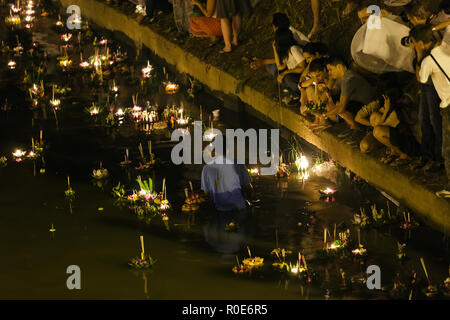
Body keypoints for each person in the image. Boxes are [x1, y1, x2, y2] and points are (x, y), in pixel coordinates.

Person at [411, 25, 450, 196]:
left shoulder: (428, 61)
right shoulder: (446, 47)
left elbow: (422, 78)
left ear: (420, 43)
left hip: (448, 104)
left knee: (448, 148)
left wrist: (419, 54)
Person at [355, 91, 420, 165]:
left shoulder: (396, 110)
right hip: (395, 137)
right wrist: (385, 110)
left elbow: (379, 126)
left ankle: (402, 154)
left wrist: (386, 110)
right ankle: (393, 152)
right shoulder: (379, 108)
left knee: (377, 131)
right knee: (364, 146)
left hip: (409, 143)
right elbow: (363, 120)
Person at [251, 27, 306, 105]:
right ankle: (293, 92)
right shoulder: (286, 50)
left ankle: (298, 94)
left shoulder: (294, 49)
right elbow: (280, 66)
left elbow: (302, 67)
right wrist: (274, 49)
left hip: (302, 76)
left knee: (287, 77)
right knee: (275, 70)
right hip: (294, 72)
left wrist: (285, 72)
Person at [325, 57, 376, 130]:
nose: (329, 73)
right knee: (333, 101)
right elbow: (335, 91)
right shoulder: (342, 77)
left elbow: (341, 108)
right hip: (354, 102)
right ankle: (349, 125)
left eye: (330, 70)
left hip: (365, 105)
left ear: (339, 67)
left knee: (341, 110)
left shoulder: (349, 79)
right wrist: (328, 91)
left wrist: (324, 115)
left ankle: (356, 129)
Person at [201, 146, 252, 212]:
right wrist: (248, 200)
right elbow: (248, 187)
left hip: (218, 210)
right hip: (239, 209)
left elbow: (206, 192)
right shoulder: (238, 164)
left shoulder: (206, 168)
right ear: (228, 149)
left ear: (213, 150)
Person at [298, 43, 329, 115]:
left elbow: (314, 80)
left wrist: (302, 85)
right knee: (309, 89)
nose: (307, 61)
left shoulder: (323, 64)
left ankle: (320, 117)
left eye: (308, 58)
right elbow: (302, 78)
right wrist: (302, 91)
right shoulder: (312, 64)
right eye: (305, 58)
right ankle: (317, 117)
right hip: (312, 88)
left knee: (310, 89)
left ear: (317, 54)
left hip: (323, 90)